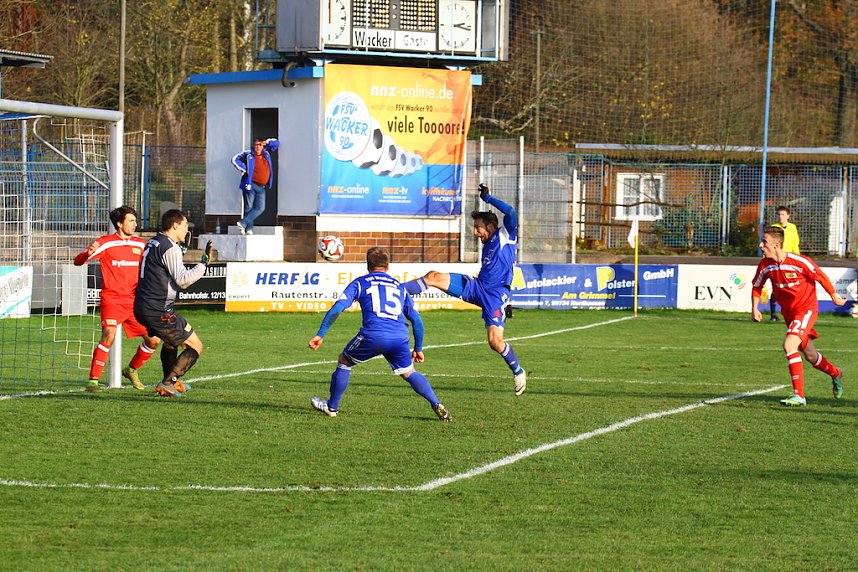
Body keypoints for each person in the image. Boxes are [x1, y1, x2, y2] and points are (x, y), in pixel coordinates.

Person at [404, 183, 528, 395]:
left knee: (494, 342)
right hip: (477, 287)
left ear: (490, 226)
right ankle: (394, 289)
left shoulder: (506, 235)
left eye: (478, 226)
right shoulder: (487, 244)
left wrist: (488, 199)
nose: (475, 231)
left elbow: (511, 212)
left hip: (496, 295)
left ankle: (518, 371)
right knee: (433, 277)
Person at [308, 247, 452, 422]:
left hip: (373, 335)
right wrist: (419, 347)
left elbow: (338, 307)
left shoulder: (360, 283)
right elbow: (417, 320)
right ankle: (436, 403)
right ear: (388, 266)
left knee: (344, 361)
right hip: (399, 337)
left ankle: (331, 407)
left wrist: (320, 333)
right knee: (409, 372)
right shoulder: (399, 286)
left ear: (367, 265)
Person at [751, 225, 846, 406]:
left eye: (765, 242)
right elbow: (756, 286)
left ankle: (799, 395)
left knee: (789, 345)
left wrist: (834, 295)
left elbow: (820, 276)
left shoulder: (799, 261)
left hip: (806, 310)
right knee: (810, 355)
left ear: (776, 245)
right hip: (789, 313)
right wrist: (755, 309)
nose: (761, 245)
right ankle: (836, 373)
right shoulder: (765, 265)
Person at [73, 206, 161, 392]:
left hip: (135, 302)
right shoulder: (106, 242)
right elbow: (78, 261)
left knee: (153, 340)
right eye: (131, 221)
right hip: (112, 300)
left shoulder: (140, 244)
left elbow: (156, 261)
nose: (135, 224)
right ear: (119, 224)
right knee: (109, 335)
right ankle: (93, 381)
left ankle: (131, 369)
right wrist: (87, 253)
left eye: (135, 221)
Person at [134, 209, 213, 398]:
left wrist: (180, 251)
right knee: (195, 346)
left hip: (144, 305)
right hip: (157, 308)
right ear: (175, 225)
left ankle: (170, 382)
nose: (187, 230)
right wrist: (203, 264)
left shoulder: (154, 242)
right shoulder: (169, 247)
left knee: (171, 343)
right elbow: (182, 280)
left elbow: (161, 267)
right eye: (185, 226)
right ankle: (168, 382)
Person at [231, 137, 280, 235]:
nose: (258, 147)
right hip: (251, 184)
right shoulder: (249, 154)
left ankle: (243, 223)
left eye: (260, 145)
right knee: (248, 207)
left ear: (263, 146)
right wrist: (245, 169)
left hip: (261, 186)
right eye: (256, 145)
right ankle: (248, 229)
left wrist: (267, 142)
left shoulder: (266, 153)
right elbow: (234, 159)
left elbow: (277, 143)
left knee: (260, 208)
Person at [768, 205, 800, 321]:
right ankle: (773, 314)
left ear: (788, 216)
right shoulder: (774, 228)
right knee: (777, 287)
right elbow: (769, 244)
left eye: (783, 215)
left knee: (792, 286)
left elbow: (795, 244)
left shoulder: (792, 228)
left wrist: (797, 259)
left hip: (790, 261)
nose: (781, 217)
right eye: (779, 215)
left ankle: (793, 311)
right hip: (776, 261)